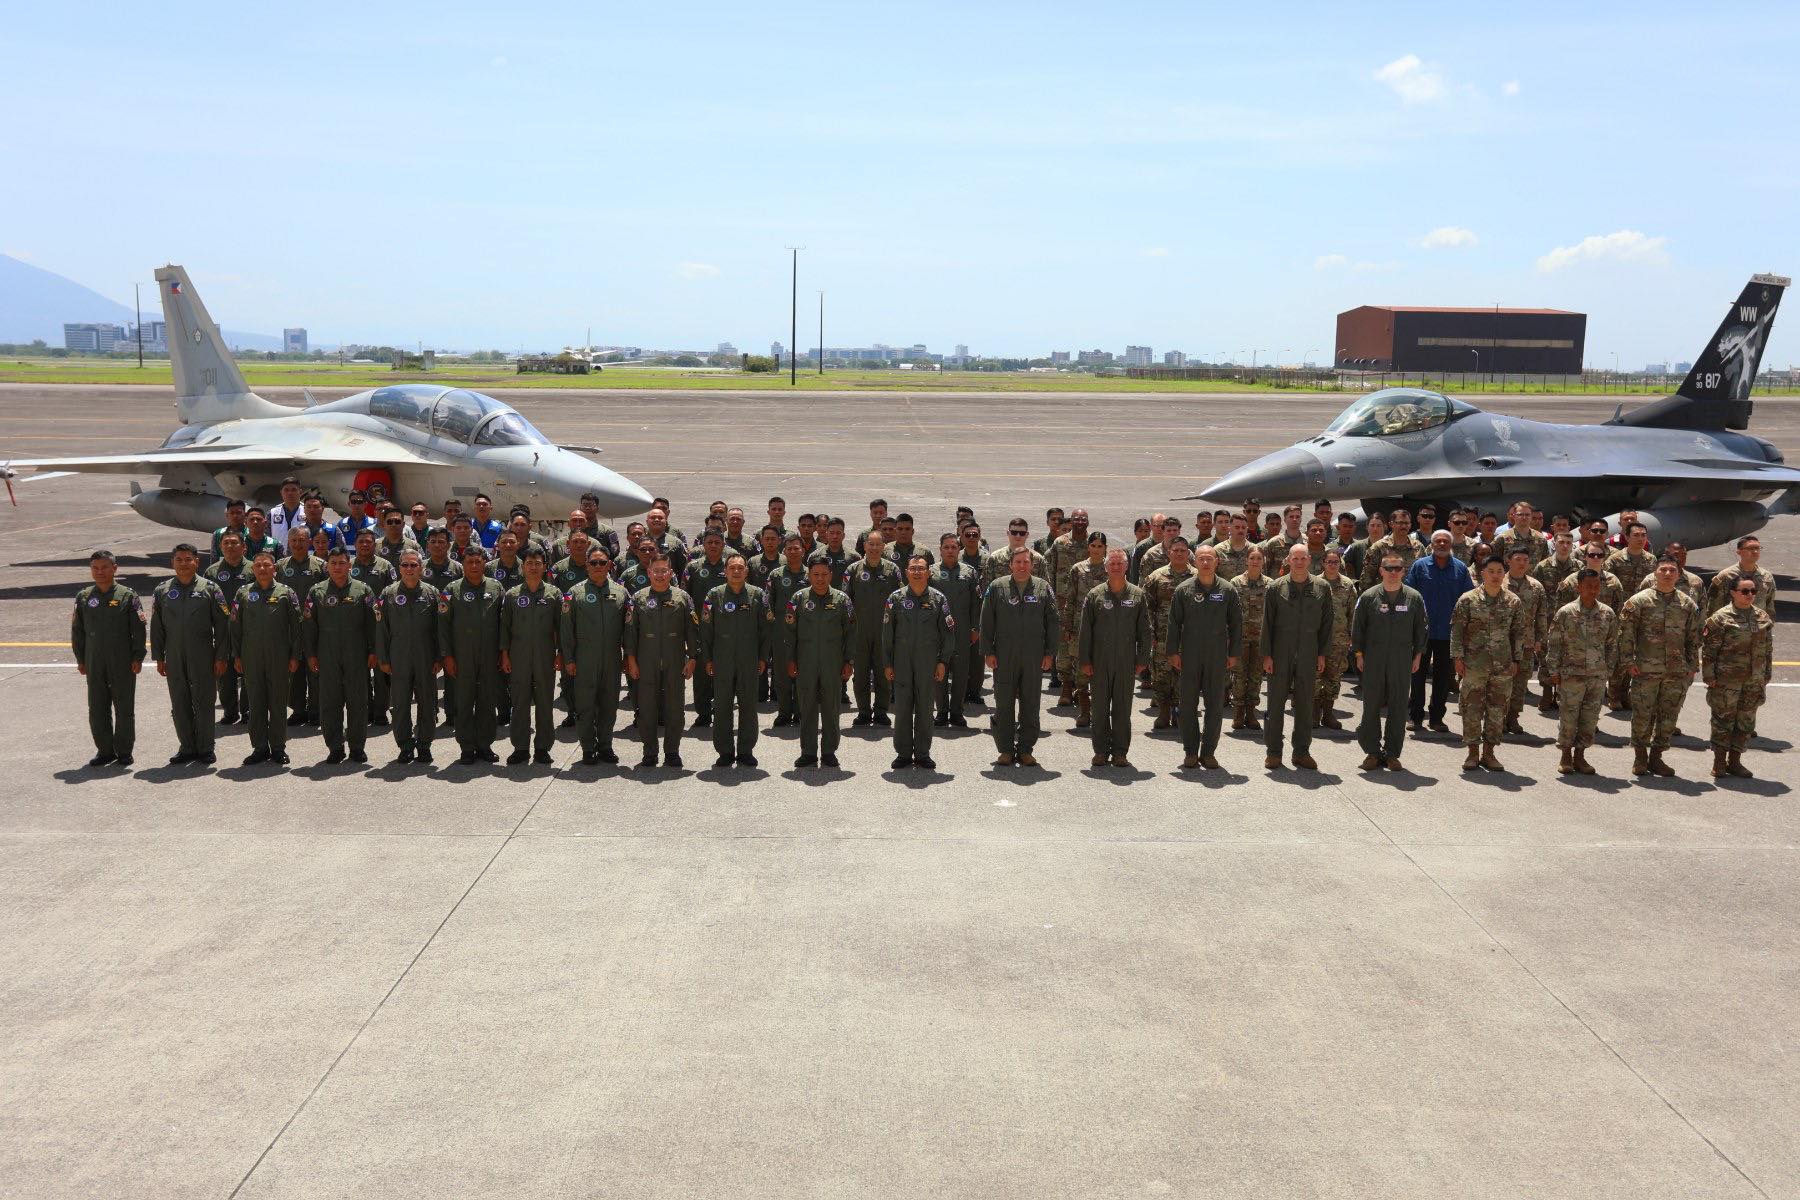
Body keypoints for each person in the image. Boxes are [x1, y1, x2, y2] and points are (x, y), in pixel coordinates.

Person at [1616, 556, 1701, 777]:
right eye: (1663, 569)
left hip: (1676, 671)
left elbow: (1693, 638)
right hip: (1645, 669)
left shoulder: (1687, 604)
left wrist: (1692, 665)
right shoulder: (1638, 601)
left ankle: (1657, 757)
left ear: (1678, 574)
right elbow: (1626, 635)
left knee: (1669, 716)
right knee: (1643, 714)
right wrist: (1628, 662)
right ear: (1655, 573)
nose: (1667, 573)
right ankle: (1640, 757)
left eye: (1672, 570)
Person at [151, 542, 230, 766]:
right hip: (174, 655)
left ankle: (206, 748)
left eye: (188, 560)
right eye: (179, 560)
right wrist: (159, 656)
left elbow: (222, 626)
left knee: (204, 702)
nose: (184, 564)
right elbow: (157, 627)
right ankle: (187, 747)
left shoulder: (210, 589)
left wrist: (221, 656)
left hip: (203, 653)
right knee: (179, 702)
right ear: (172, 563)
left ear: (197, 562)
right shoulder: (163, 591)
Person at [980, 545, 1058, 766]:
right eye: (1018, 562)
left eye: (1026, 562)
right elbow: (986, 621)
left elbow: (1052, 623)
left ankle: (1025, 749)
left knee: (1031, 703)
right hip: (1004, 655)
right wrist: (988, 651)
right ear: (1010, 565)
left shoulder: (1043, 588)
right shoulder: (997, 587)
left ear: (1032, 565)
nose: (1022, 566)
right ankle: (1005, 749)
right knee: (1003, 703)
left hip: (1034, 655)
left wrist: (1049, 653)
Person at [1167, 544, 1242, 770]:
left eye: (1210, 558)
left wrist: (1234, 653)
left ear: (1217, 561)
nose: (1206, 562)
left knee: (1215, 706)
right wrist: (1172, 652)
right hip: (1189, 655)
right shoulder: (1184, 589)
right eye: (1202, 558)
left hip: (1217, 656)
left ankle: (1208, 752)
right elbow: (1174, 623)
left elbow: (1236, 624)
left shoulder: (1228, 590)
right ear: (1195, 561)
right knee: (1188, 704)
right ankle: (1190, 751)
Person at [1259, 545, 1333, 770]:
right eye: (1295, 558)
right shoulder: (1275, 587)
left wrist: (1322, 654)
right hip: (1281, 653)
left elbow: (1327, 624)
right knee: (1275, 704)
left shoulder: (1322, 587)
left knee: (1305, 704)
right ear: (1288, 560)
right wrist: (1267, 655)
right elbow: (1267, 624)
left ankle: (1301, 752)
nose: (1299, 562)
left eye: (1303, 558)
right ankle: (1273, 752)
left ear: (1309, 560)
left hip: (1309, 653)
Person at [1449, 557, 1526, 772]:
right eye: (1490, 571)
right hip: (1474, 664)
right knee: (1471, 708)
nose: (1495, 575)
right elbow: (1457, 630)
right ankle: (1473, 752)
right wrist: (1457, 658)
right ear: (1482, 573)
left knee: (1497, 709)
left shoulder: (1513, 601)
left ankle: (1489, 753)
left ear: (1504, 574)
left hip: (1502, 665)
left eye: (1499, 571)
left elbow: (1519, 632)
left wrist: (1517, 660)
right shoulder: (1468, 599)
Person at [1352, 552, 1427, 770]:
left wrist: (1418, 655)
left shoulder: (1414, 597)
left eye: (1397, 568)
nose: (1393, 572)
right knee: (1371, 706)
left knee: (1398, 706)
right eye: (1389, 568)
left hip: (1401, 659)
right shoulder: (1368, 597)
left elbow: (1421, 629)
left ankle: (1392, 753)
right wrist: (1358, 655)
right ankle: (1372, 752)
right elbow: (1358, 629)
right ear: (1381, 570)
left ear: (1403, 571)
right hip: (1373, 658)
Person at [304, 546, 377, 765]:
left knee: (358, 702)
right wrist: (311, 653)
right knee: (330, 702)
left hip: (357, 654)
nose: (337, 567)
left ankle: (357, 747)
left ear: (349, 565)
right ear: (327, 566)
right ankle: (335, 747)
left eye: (342, 563)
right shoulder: (316, 592)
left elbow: (373, 624)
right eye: (333, 563)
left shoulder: (363, 591)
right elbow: (309, 625)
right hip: (327, 654)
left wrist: (374, 650)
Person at [72, 549, 146, 767]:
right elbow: (78, 630)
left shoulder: (127, 595)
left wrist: (138, 656)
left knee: (124, 707)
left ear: (115, 568)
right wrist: (80, 658)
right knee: (97, 707)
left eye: (105, 567)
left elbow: (139, 629)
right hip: (94, 660)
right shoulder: (84, 597)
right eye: (95, 568)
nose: (100, 572)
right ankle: (104, 750)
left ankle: (124, 751)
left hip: (122, 660)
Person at [1078, 548, 1151, 768]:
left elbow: (1145, 631)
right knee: (1099, 709)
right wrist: (1085, 660)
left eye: (1120, 564)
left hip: (1126, 661)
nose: (1116, 567)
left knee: (1122, 709)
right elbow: (1086, 631)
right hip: (1099, 661)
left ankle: (1120, 752)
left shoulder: (1137, 595)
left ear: (1127, 566)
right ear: (1106, 567)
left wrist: (1142, 660)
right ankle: (1100, 751)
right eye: (1112, 564)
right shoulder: (1095, 595)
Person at [882, 553, 956, 769]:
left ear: (928, 572)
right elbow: (887, 634)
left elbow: (948, 634)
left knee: (925, 709)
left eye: (921, 568)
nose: (916, 572)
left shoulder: (938, 599)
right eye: (913, 568)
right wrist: (887, 663)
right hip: (902, 662)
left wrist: (943, 662)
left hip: (928, 663)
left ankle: (923, 753)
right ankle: (904, 753)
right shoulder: (895, 599)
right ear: (906, 572)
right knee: (903, 709)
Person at [558, 547, 631, 766]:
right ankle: (588, 748)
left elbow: (629, 628)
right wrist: (568, 659)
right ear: (587, 565)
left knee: (609, 705)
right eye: (594, 563)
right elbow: (566, 630)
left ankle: (605, 746)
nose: (598, 567)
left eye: (602, 563)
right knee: (585, 706)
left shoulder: (621, 593)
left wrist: (628, 656)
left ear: (609, 565)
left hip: (611, 658)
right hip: (584, 659)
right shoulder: (574, 593)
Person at [700, 553, 773, 768]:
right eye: (732, 568)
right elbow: (706, 630)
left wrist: (762, 657)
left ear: (746, 571)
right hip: (722, 660)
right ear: (726, 570)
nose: (737, 571)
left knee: (748, 706)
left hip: (748, 659)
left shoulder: (758, 595)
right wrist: (708, 658)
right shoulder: (714, 595)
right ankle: (724, 751)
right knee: (722, 706)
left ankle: (745, 750)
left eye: (740, 568)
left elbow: (766, 630)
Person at [625, 554, 696, 769]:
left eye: (664, 570)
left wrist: (692, 657)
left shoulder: (682, 597)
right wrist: (631, 661)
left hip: (674, 660)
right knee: (646, 708)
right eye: (655, 570)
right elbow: (630, 633)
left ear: (671, 573)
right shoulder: (638, 598)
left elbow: (692, 631)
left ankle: (672, 752)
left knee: (675, 708)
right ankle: (649, 752)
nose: (659, 575)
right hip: (646, 660)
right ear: (649, 573)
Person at [231, 550, 302, 767]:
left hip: (279, 656)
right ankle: (259, 747)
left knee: (278, 703)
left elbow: (296, 627)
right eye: (258, 565)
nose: (262, 569)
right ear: (253, 569)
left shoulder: (286, 593)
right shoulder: (242, 593)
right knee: (256, 703)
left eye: (266, 565)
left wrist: (294, 655)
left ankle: (278, 748)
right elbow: (235, 627)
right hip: (251, 657)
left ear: (275, 569)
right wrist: (236, 655)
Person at [1545, 569, 1618, 776]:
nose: (1593, 590)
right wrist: (1554, 671)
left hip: (1596, 675)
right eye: (1588, 586)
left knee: (1590, 719)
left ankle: (1581, 755)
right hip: (1571, 675)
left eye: (1596, 586)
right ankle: (1565, 755)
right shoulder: (1566, 612)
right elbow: (1555, 644)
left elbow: (1612, 645)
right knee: (1568, 717)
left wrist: (1609, 671)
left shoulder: (1607, 613)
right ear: (1579, 587)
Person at [375, 549, 446, 764]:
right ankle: (405, 746)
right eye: (405, 565)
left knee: (427, 702)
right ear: (399, 569)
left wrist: (439, 657)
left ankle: (424, 745)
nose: (409, 569)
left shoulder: (432, 593)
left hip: (425, 656)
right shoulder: (388, 594)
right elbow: (382, 629)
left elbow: (439, 629)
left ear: (421, 569)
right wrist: (384, 659)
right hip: (399, 656)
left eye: (413, 565)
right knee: (400, 704)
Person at [1701, 576, 1775, 778]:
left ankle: (1735, 761)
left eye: (1753, 591)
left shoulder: (1762, 617)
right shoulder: (1720, 618)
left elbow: (1767, 649)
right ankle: (1719, 762)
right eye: (1745, 591)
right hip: (1726, 680)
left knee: (1746, 722)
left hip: (1754, 680)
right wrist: (1709, 676)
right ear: (1733, 593)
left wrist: (1766, 674)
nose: (1750, 595)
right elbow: (1709, 651)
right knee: (1722, 721)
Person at [786, 559, 853, 769]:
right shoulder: (798, 599)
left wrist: (848, 661)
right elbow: (789, 633)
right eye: (815, 574)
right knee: (806, 708)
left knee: (832, 708)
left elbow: (851, 634)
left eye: (824, 574)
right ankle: (808, 752)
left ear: (831, 575)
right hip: (805, 662)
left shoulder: (842, 600)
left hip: (832, 663)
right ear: (809, 575)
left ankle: (829, 751)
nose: (820, 578)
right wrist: (790, 659)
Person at [442, 545, 505, 765]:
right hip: (462, 656)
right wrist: (447, 656)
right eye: (470, 562)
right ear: (463, 564)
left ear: (484, 563)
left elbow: (503, 623)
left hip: (489, 655)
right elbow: (443, 626)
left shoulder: (496, 587)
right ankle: (467, 747)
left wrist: (502, 652)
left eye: (478, 562)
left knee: (488, 701)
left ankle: (485, 745)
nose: (475, 566)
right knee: (465, 701)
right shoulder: (452, 589)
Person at [500, 547, 563, 766]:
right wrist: (505, 655)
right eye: (529, 563)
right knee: (519, 702)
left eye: (538, 563)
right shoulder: (513, 595)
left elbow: (560, 628)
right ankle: (520, 747)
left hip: (545, 656)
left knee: (545, 702)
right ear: (522, 566)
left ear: (544, 566)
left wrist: (560, 654)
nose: (534, 567)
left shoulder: (554, 594)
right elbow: (505, 628)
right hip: (518, 656)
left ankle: (543, 748)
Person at [1406, 531, 1473, 734]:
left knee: (1443, 678)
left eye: (1445, 541)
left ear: (1451, 544)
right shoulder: (1420, 566)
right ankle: (1415, 717)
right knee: (1417, 676)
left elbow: (1468, 599)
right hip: (1422, 631)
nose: (1442, 544)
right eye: (1438, 541)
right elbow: (1409, 593)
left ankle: (1437, 719)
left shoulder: (1460, 569)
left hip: (1449, 632)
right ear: (1432, 544)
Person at [846, 531, 904, 726]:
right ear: (864, 546)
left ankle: (881, 711)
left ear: (883, 547)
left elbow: (900, 599)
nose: (874, 548)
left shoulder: (892, 570)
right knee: (860, 674)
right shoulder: (853, 570)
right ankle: (863, 711)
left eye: (878, 545)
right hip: (859, 632)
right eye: (870, 544)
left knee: (883, 673)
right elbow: (845, 601)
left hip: (883, 632)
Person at [1141, 537, 1196, 730]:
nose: (1179, 554)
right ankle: (1164, 712)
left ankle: (1180, 712)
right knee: (1162, 676)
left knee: (1185, 677)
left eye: (1183, 550)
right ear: (1169, 553)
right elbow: (1146, 607)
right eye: (1176, 550)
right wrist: (1151, 635)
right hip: (1162, 637)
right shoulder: (1156, 577)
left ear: (1188, 553)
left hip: (1189, 638)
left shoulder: (1197, 577)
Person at [929, 533, 981, 729]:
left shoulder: (969, 572)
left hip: (962, 631)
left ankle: (957, 712)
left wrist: (975, 627)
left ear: (959, 550)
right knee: (939, 671)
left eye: (953, 547)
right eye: (946, 547)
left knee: (960, 673)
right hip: (938, 633)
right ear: (940, 549)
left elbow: (977, 603)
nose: (950, 550)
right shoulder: (931, 572)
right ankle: (942, 711)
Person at [347, 529, 397, 727]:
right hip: (355, 626)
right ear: (355, 543)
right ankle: (365, 708)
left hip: (379, 624)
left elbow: (394, 593)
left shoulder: (385, 566)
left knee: (381, 671)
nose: (365, 545)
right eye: (361, 542)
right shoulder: (348, 565)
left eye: (369, 542)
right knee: (359, 672)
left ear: (374, 544)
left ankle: (380, 710)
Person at [277, 526, 326, 726]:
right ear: (289, 542)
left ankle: (316, 709)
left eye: (302, 540)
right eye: (294, 540)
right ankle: (298, 709)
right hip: (289, 627)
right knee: (293, 669)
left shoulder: (320, 566)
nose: (298, 544)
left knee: (315, 668)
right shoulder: (280, 567)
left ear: (309, 542)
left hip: (314, 626)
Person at [683, 530, 731, 727]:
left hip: (725, 628)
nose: (713, 545)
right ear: (703, 545)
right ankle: (703, 713)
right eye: (709, 542)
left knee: (723, 674)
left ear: (723, 544)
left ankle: (721, 711)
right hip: (699, 628)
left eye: (717, 542)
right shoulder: (692, 568)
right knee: (702, 674)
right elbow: (684, 596)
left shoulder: (730, 567)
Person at [204, 530, 253, 724]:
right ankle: (230, 711)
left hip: (249, 629)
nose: (230, 546)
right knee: (224, 674)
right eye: (226, 543)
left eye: (234, 543)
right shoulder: (212, 572)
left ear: (244, 547)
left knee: (250, 672)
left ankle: (248, 710)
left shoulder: (253, 569)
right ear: (220, 547)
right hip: (223, 630)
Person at [763, 535, 813, 727]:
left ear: (803, 551)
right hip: (781, 633)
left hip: (806, 633)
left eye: (796, 548)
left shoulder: (811, 574)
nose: (793, 551)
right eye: (789, 549)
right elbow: (767, 602)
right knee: (782, 676)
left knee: (803, 675)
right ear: (784, 551)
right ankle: (784, 712)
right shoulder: (776, 575)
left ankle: (801, 712)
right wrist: (773, 624)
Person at [1062, 532, 1110, 726]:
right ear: (1088, 547)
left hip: (1105, 629)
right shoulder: (1078, 569)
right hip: (1080, 627)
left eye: (1100, 546)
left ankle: (1101, 713)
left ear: (1105, 548)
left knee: (1103, 673)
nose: (1097, 549)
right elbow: (1071, 598)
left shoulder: (1111, 568)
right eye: (1094, 546)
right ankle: (1084, 711)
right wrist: (1067, 625)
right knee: (1081, 672)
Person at [1502, 546, 1550, 735]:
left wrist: (1540, 639)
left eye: (1525, 560)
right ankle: (1498, 718)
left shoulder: (1536, 586)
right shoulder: (1500, 583)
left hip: (1527, 644)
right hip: (1503, 642)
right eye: (1518, 559)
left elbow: (1542, 614)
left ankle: (1513, 717)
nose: (1521, 563)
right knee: (1502, 682)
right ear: (1509, 560)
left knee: (1520, 684)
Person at [1046, 508, 1092, 704]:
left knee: (1084, 645)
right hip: (1063, 603)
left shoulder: (1094, 543)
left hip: (1086, 603)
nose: (1080, 522)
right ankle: (1066, 687)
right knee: (1064, 644)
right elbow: (1050, 572)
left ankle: (1082, 689)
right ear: (1070, 521)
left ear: (1088, 522)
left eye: (1083, 519)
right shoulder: (1060, 543)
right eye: (1076, 519)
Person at [1313, 548, 1358, 728]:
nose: (1332, 565)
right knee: (1315, 677)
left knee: (1333, 677)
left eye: (1336, 562)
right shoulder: (1314, 583)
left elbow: (1353, 613)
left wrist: (1352, 636)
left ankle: (1328, 714)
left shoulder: (1347, 585)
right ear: (1323, 562)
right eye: (1329, 562)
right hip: (1316, 639)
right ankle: (1314, 714)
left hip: (1339, 639)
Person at [1230, 546, 1272, 729]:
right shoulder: (1235, 583)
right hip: (1240, 638)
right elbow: (1229, 612)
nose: (1255, 561)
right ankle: (1238, 712)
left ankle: (1251, 712)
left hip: (1260, 639)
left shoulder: (1271, 585)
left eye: (1259, 558)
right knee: (1239, 676)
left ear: (1264, 561)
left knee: (1256, 676)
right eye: (1252, 558)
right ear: (1246, 560)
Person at [1707, 535, 1777, 618]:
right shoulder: (1726, 576)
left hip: (1758, 627)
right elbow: (1713, 607)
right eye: (1750, 548)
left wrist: (1767, 626)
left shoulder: (1766, 576)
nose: (1755, 551)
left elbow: (1770, 606)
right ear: (1739, 552)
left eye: (1757, 548)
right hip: (1732, 627)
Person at [268, 476, 305, 548]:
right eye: (286, 490)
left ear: (300, 492)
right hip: (278, 555)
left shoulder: (307, 512)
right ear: (281, 492)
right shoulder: (272, 513)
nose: (290, 493)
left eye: (294, 490)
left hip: (301, 554)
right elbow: (267, 536)